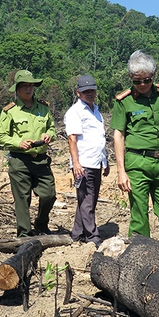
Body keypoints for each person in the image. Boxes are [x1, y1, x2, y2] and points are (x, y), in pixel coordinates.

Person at [112, 50, 159, 246]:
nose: (142, 85)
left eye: (146, 80)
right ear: (130, 78)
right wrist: (121, 171)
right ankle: (140, 258)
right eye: (136, 81)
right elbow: (119, 135)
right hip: (137, 164)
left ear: (154, 75)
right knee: (139, 219)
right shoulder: (124, 101)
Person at [0, 70, 57, 237]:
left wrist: (49, 135)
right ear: (17, 89)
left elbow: (51, 128)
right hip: (19, 161)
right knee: (23, 199)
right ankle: (24, 234)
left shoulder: (44, 108)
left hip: (41, 161)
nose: (29, 89)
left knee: (49, 195)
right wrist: (18, 143)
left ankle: (41, 225)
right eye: (24, 86)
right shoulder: (10, 111)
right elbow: (0, 136)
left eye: (31, 85)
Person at [65, 75, 110, 245]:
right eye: (86, 92)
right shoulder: (75, 112)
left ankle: (77, 234)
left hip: (96, 161)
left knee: (88, 200)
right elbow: (72, 139)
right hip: (83, 163)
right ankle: (93, 237)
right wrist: (76, 163)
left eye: (92, 90)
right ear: (78, 93)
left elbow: (99, 138)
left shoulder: (96, 111)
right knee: (87, 201)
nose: (90, 94)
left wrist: (105, 162)